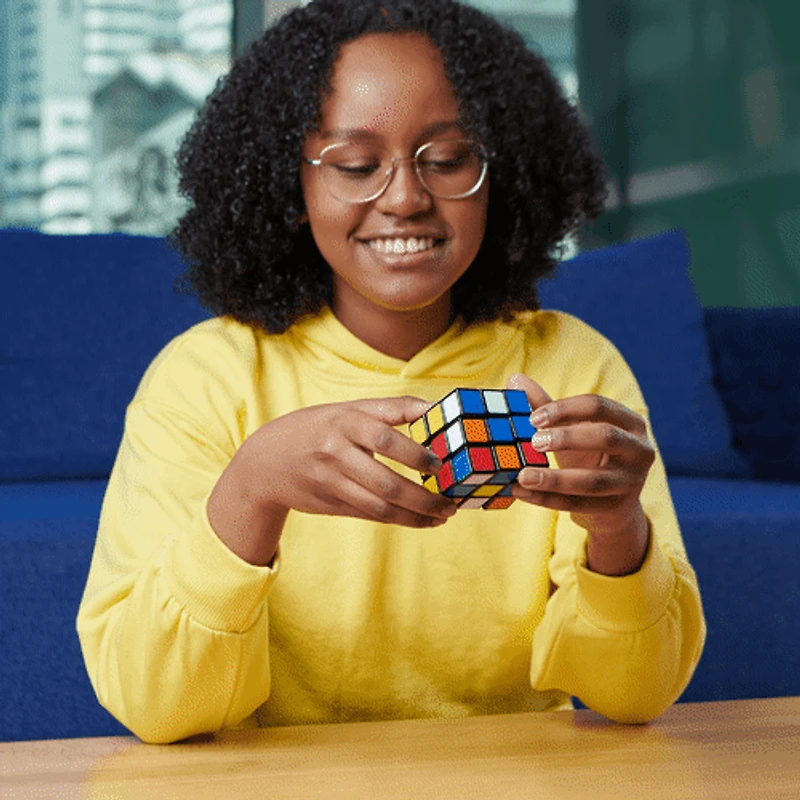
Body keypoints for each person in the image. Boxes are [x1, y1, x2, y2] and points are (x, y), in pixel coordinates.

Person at [76, 0, 706, 745]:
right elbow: (154, 704)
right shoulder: (205, 378)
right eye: (354, 165)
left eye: (447, 160)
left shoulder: (572, 364)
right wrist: (251, 491)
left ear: (501, 170)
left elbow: (635, 698)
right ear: (289, 182)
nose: (405, 198)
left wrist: (616, 529)